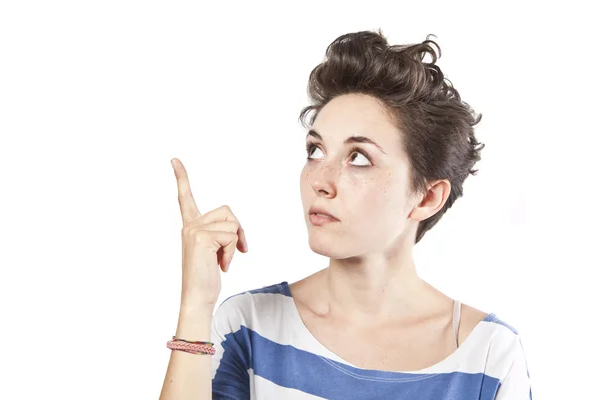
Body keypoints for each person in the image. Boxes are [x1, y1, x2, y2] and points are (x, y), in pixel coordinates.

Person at [159, 30, 532, 400]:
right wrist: (195, 304)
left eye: (358, 158)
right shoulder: (250, 326)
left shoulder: (490, 357)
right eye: (315, 150)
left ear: (428, 197)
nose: (320, 180)